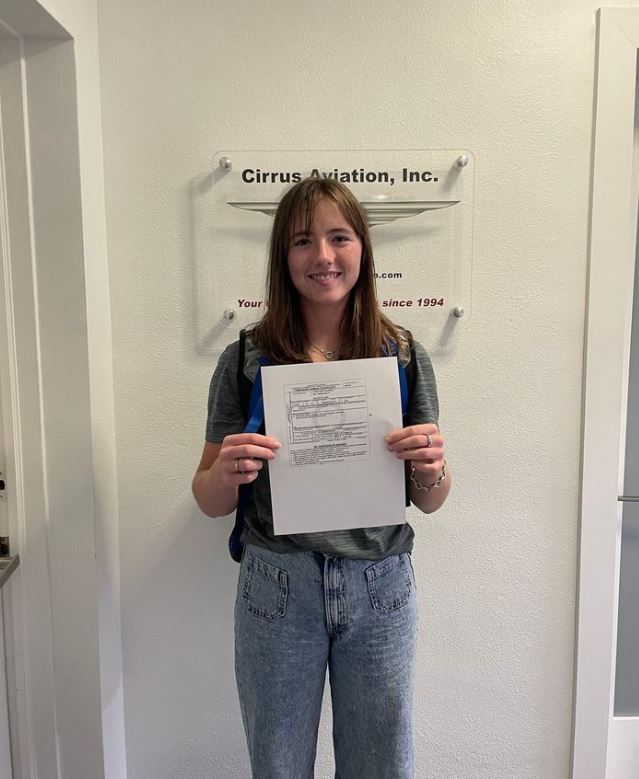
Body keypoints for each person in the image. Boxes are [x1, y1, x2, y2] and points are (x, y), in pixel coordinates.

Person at [192, 177, 451, 779]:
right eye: (303, 241)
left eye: (340, 237)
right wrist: (227, 471)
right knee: (278, 767)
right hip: (277, 588)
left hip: (380, 587)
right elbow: (207, 499)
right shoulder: (245, 359)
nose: (324, 257)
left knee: (381, 766)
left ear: (363, 249)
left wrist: (433, 470)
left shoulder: (403, 356)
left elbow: (430, 500)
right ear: (283, 257)